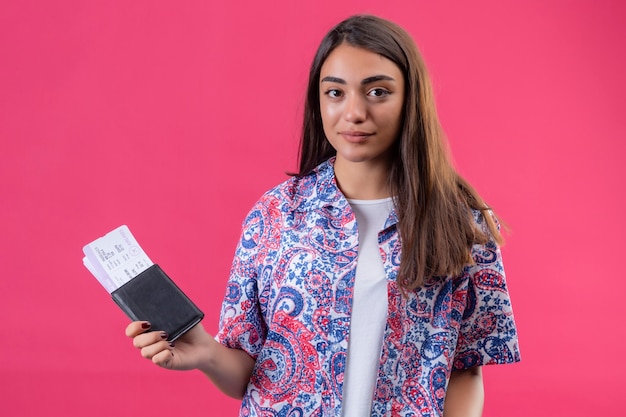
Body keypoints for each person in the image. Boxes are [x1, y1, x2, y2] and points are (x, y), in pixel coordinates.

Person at [126, 14, 520, 417]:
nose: (353, 113)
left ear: (410, 100)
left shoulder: (462, 224)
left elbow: (465, 371)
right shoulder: (275, 215)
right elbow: (249, 372)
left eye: (378, 92)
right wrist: (206, 353)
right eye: (335, 92)